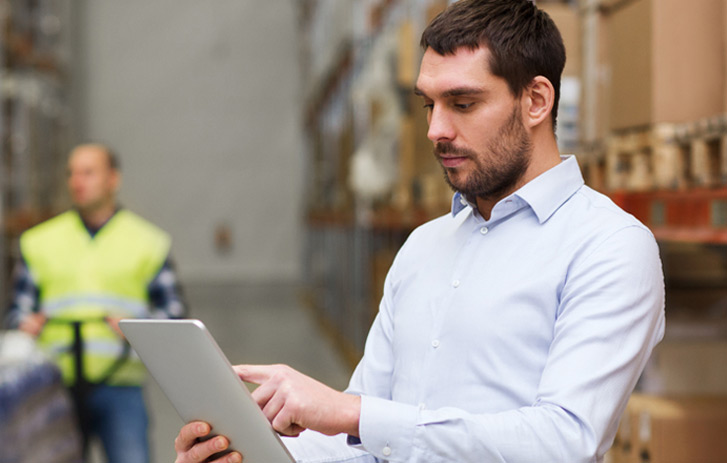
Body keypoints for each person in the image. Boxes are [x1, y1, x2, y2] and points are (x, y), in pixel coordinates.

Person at [174, 1, 665, 462]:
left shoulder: (609, 247)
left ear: (536, 100)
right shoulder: (424, 247)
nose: (435, 129)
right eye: (430, 104)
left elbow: (563, 442)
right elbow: (363, 443)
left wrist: (354, 414)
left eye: (463, 103)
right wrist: (253, 452)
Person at [5, 143, 187, 463]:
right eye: (71, 173)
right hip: (52, 387)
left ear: (113, 179)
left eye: (88, 172)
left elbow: (175, 316)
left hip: (120, 385)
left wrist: (138, 327)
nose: (77, 181)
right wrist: (24, 324)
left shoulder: (147, 242)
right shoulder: (40, 241)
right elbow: (15, 312)